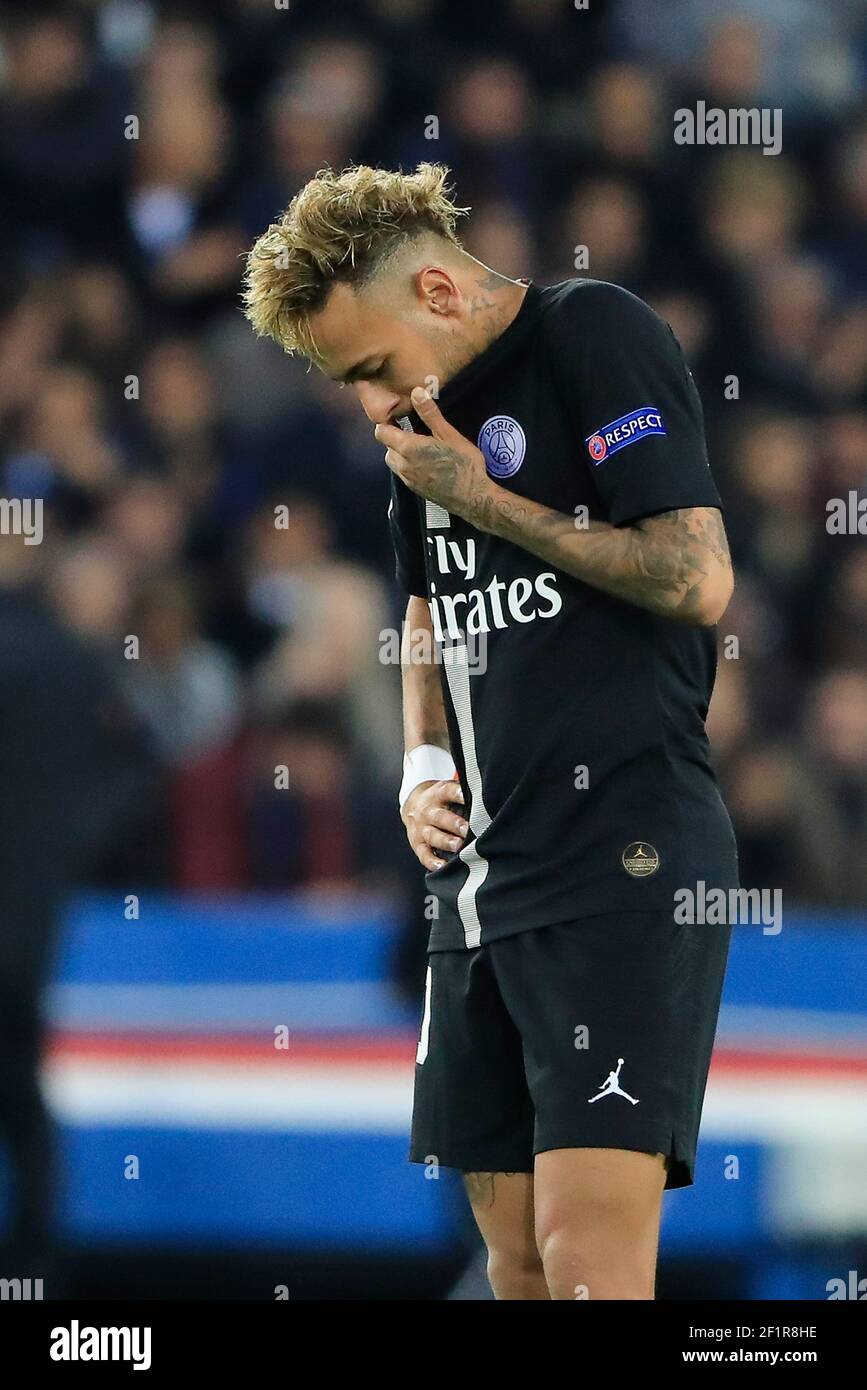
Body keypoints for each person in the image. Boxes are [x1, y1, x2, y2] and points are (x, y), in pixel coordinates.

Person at [241, 163, 738, 1301]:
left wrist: (488, 500)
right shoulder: (424, 425)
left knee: (588, 1263)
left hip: (624, 853)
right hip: (480, 882)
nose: (369, 405)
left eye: (369, 367)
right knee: (511, 1265)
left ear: (438, 288)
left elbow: (697, 575)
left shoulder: (593, 333)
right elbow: (428, 608)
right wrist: (423, 757)